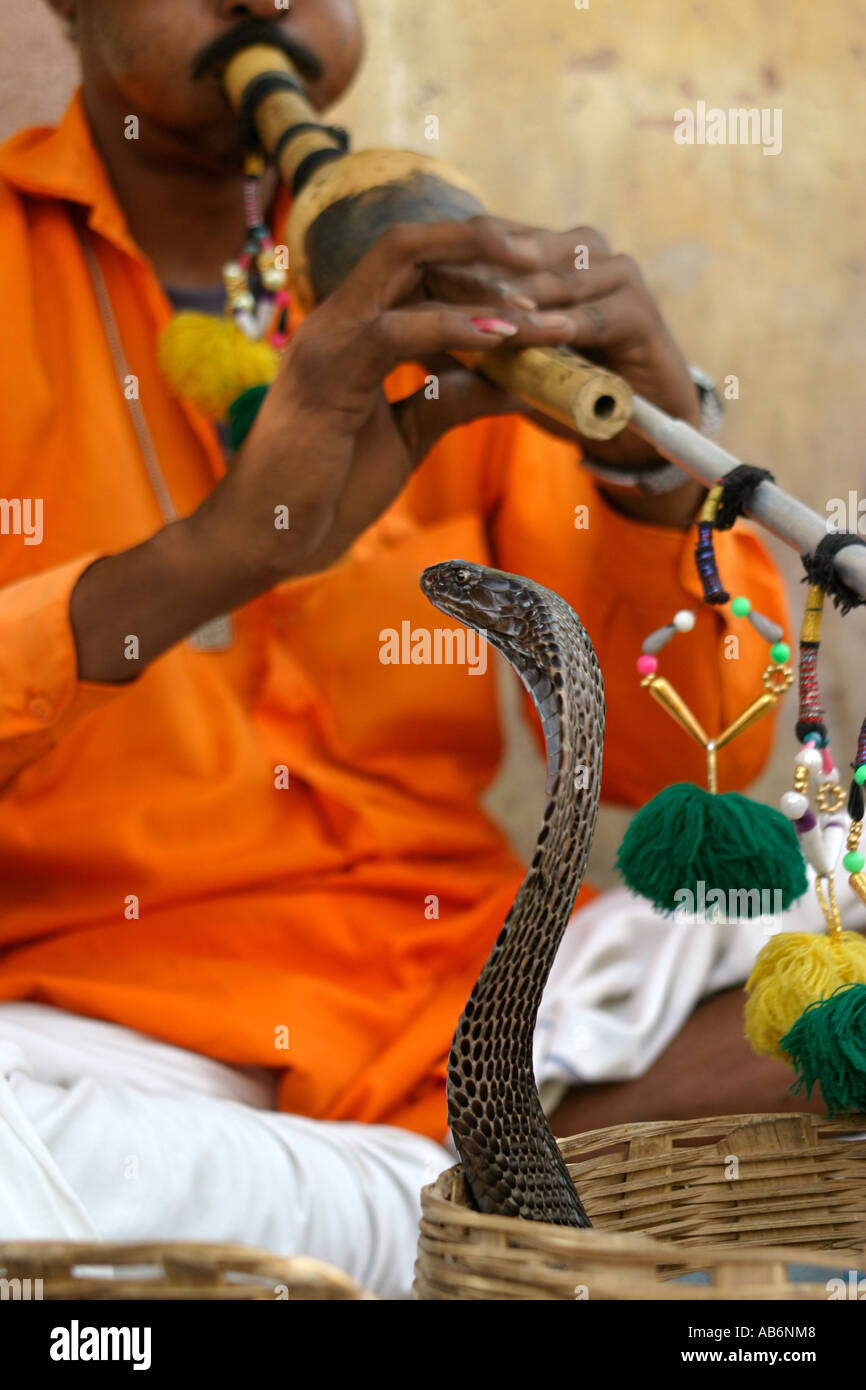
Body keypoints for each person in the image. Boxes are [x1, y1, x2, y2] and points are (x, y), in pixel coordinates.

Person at [0, 0, 806, 1298]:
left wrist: (652, 470)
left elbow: (682, 769)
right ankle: (486, 1213)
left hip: (483, 995)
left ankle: (383, 1217)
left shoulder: (436, 284)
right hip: (111, 1039)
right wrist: (216, 554)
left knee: (826, 939)